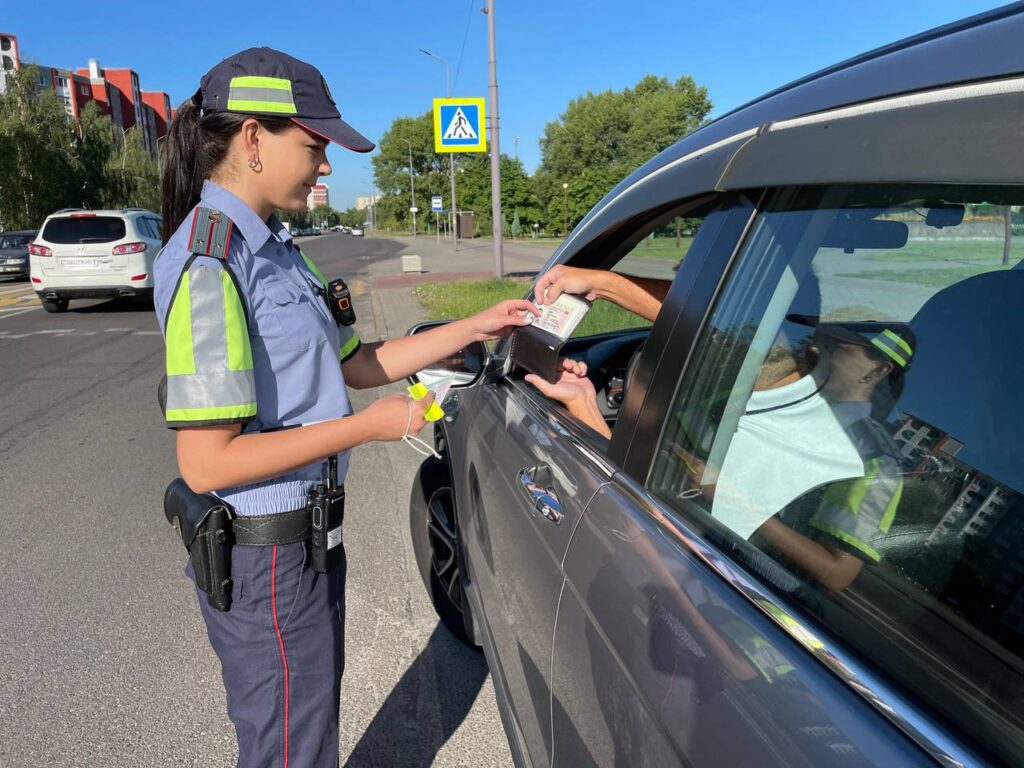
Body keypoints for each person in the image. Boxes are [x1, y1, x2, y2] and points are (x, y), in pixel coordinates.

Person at [155, 48, 538, 768]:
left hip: (308, 549)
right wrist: (371, 426)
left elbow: (358, 365)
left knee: (308, 737)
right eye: (315, 145)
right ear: (252, 138)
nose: (326, 165)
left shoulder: (278, 250)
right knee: (289, 752)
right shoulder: (213, 263)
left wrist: (475, 324)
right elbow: (206, 462)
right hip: (264, 559)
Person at [528, 265, 909, 591]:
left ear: (878, 369)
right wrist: (583, 402)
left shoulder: (873, 462)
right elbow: (709, 321)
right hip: (662, 539)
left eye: (834, 345)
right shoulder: (784, 384)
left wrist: (727, 496)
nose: (812, 348)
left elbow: (837, 573)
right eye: (815, 338)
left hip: (729, 586)